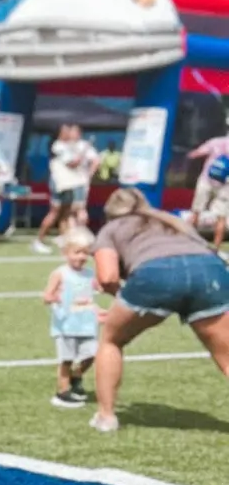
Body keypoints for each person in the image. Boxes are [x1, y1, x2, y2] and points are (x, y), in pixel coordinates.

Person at [88, 185, 229, 433]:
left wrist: (124, 298)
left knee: (111, 340)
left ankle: (106, 416)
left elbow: (107, 276)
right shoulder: (174, 222)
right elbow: (212, 254)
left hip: (155, 275)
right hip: (209, 272)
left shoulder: (111, 229)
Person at [42, 230, 101, 409]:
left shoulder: (90, 274)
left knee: (93, 354)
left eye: (86, 253)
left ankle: (77, 375)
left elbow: (97, 289)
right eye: (77, 252)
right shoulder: (60, 273)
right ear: (66, 253)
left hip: (86, 323)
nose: (82, 257)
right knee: (66, 359)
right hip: (66, 324)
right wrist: (54, 298)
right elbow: (47, 296)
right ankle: (63, 391)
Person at [34, 121, 99, 255]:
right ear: (59, 133)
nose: (69, 132)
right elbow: (73, 164)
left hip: (71, 183)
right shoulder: (58, 146)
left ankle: (67, 240)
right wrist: (83, 152)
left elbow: (94, 160)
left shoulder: (71, 145)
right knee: (56, 212)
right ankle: (39, 240)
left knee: (67, 212)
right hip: (61, 183)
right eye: (66, 130)